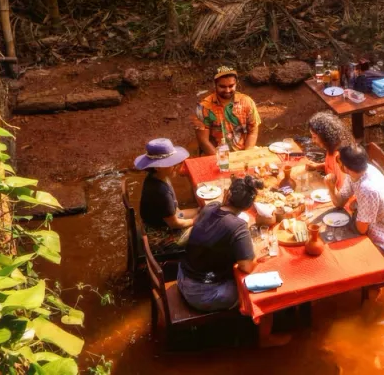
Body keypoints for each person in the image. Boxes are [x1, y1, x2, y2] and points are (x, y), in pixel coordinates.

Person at [177, 175, 290, 347]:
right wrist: (258, 258)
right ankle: (265, 339)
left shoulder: (210, 207)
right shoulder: (237, 226)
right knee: (264, 288)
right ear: (249, 206)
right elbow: (246, 266)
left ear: (226, 194)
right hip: (202, 294)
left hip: (183, 275)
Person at [325, 144, 384, 260]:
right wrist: (331, 188)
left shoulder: (367, 189)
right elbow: (340, 202)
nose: (337, 163)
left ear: (345, 167)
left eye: (338, 161)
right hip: (370, 225)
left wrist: (357, 209)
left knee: (342, 257)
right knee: (335, 234)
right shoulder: (356, 172)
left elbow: (361, 229)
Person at [134, 138, 198, 255]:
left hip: (157, 224)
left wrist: (200, 212)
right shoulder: (160, 192)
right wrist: (195, 221)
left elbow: (175, 212)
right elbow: (174, 224)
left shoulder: (156, 178)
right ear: (158, 167)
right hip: (160, 236)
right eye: (171, 163)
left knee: (202, 211)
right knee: (206, 227)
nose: (176, 165)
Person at [193, 66, 261, 155]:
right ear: (215, 85)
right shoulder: (203, 108)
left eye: (231, 86)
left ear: (236, 83)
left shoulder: (247, 102)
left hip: (242, 152)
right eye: (222, 86)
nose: (227, 90)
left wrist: (246, 155)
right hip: (215, 154)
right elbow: (203, 141)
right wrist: (221, 161)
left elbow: (253, 131)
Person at [307, 111, 352, 189]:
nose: (312, 141)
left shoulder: (339, 158)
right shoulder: (332, 147)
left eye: (314, 137)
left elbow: (342, 191)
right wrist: (318, 166)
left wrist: (331, 190)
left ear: (325, 137)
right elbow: (331, 167)